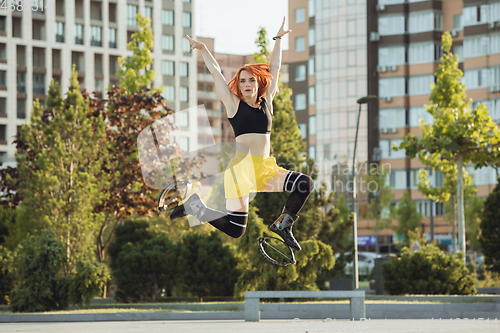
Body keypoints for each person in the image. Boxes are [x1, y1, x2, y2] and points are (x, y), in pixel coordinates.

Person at [169, 17, 314, 251]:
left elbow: (275, 67)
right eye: (243, 80)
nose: (247, 84)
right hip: (241, 171)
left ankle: (283, 225)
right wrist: (204, 49)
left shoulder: (267, 101)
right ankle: (196, 207)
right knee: (236, 230)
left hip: (265, 169)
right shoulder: (234, 105)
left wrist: (277, 40)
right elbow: (216, 73)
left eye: (251, 80)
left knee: (304, 183)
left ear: (259, 84)